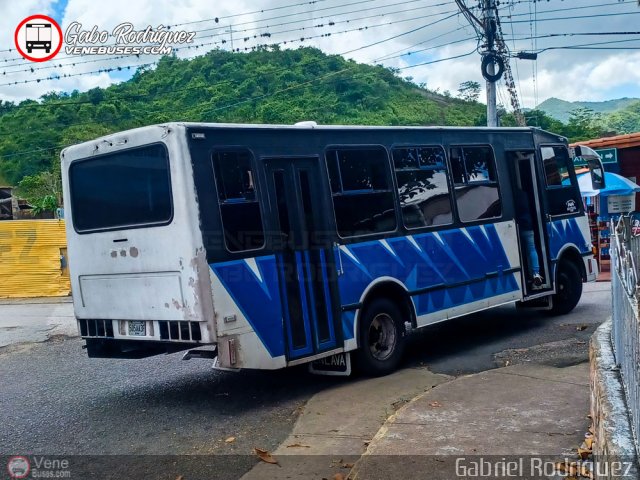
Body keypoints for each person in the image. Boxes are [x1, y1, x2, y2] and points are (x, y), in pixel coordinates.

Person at [514, 187, 543, 288]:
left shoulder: (509, 195)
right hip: (528, 226)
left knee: (519, 252)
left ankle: (524, 274)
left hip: (515, 228)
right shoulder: (524, 194)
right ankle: (536, 273)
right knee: (531, 249)